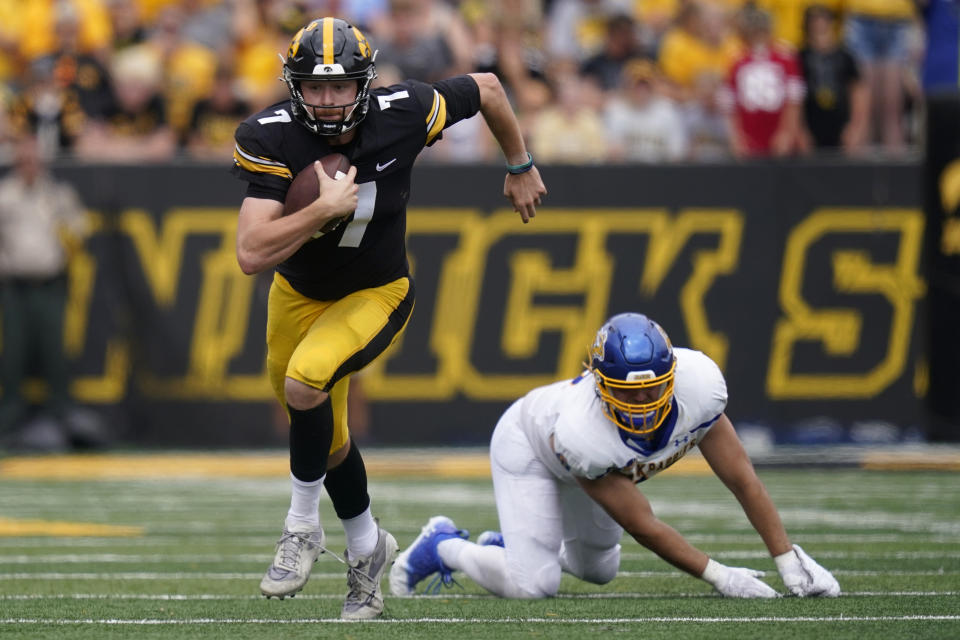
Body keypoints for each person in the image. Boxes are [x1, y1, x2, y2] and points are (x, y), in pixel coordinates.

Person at [230, 16, 545, 621]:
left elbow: (488, 89)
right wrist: (318, 212)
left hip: (376, 291)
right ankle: (368, 549)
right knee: (325, 436)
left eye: (340, 87)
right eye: (314, 88)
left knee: (304, 383)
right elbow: (251, 253)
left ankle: (301, 527)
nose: (326, 102)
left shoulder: (402, 110)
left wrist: (519, 163)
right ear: (294, 86)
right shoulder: (268, 135)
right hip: (295, 294)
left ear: (364, 85)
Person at [389, 313, 840, 600]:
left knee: (598, 570)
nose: (642, 403)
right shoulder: (582, 434)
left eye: (652, 388)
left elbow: (743, 479)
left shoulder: (700, 388)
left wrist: (787, 559)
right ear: (599, 383)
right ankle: (444, 545)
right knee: (535, 586)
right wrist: (720, 576)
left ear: (673, 375)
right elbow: (644, 523)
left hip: (589, 462)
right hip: (528, 444)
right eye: (629, 392)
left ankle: (511, 547)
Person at [0, 132, 87, 445]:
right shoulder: (5, 195)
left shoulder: (57, 194)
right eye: (24, 160)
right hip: (14, 285)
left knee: (54, 352)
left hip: (50, 283)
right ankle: (9, 418)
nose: (29, 166)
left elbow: (80, 230)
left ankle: (60, 415)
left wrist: (68, 241)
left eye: (33, 160)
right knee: (13, 355)